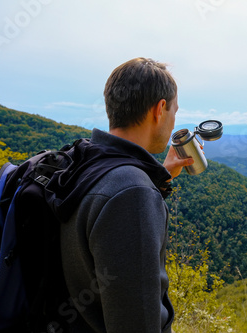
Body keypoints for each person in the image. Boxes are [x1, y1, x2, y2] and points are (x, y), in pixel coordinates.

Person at [59, 57, 193, 332]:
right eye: (174, 112)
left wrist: (158, 177)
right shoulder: (132, 194)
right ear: (160, 109)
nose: (172, 122)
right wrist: (143, 187)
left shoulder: (82, 161)